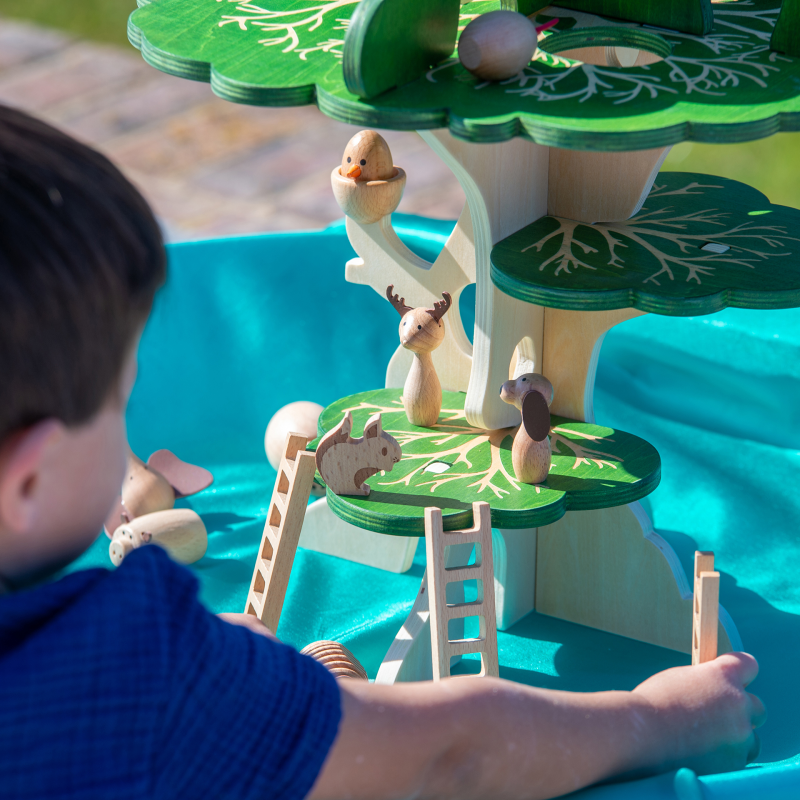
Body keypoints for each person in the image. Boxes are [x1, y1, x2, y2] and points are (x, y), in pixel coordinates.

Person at [0, 103, 765, 800]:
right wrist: (657, 719)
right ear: (29, 478)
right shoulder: (135, 679)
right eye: (118, 404)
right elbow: (453, 754)